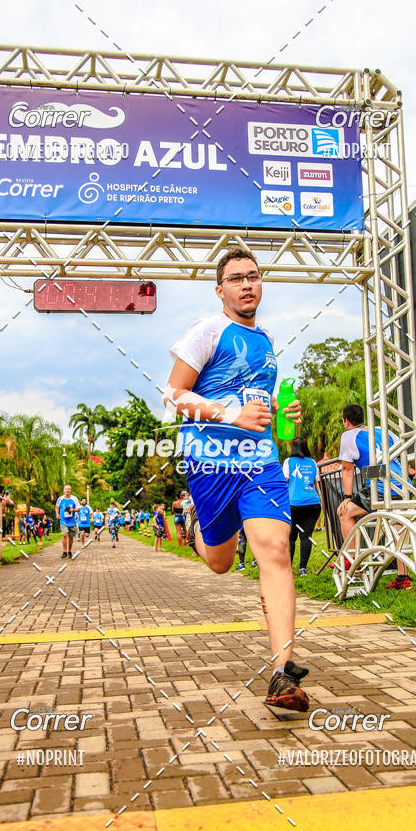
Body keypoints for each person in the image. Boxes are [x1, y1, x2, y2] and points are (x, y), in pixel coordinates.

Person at [164, 246, 309, 712]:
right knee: (221, 563)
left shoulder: (266, 340)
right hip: (210, 463)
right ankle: (198, 536)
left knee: (275, 549)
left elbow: (260, 404)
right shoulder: (208, 330)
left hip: (260, 462)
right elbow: (173, 395)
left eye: (254, 276)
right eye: (236, 278)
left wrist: (286, 413)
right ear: (220, 288)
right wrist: (229, 413)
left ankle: (282, 673)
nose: (247, 284)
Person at [336, 404, 411, 589]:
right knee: (398, 528)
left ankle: (353, 561)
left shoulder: (348, 436)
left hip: (379, 488)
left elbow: (347, 469)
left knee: (345, 512)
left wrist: (347, 496)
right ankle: (403, 578)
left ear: (346, 421)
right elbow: (400, 455)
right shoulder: (383, 430)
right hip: (401, 485)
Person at [283, 437, 321, 576]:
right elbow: (316, 483)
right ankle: (303, 568)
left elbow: (284, 481)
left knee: (291, 537)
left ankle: (288, 569)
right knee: (306, 536)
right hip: (313, 503)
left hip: (294, 504)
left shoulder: (288, 462)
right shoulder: (313, 463)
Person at [55, 484, 80, 559]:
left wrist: (74, 510)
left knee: (71, 537)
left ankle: (69, 551)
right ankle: (64, 551)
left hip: (72, 521)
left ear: (70, 490)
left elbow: (78, 509)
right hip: (63, 520)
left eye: (69, 489)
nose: (67, 491)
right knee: (64, 535)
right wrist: (57, 514)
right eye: (66, 489)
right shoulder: (60, 499)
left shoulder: (74, 498)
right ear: (64, 490)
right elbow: (56, 507)